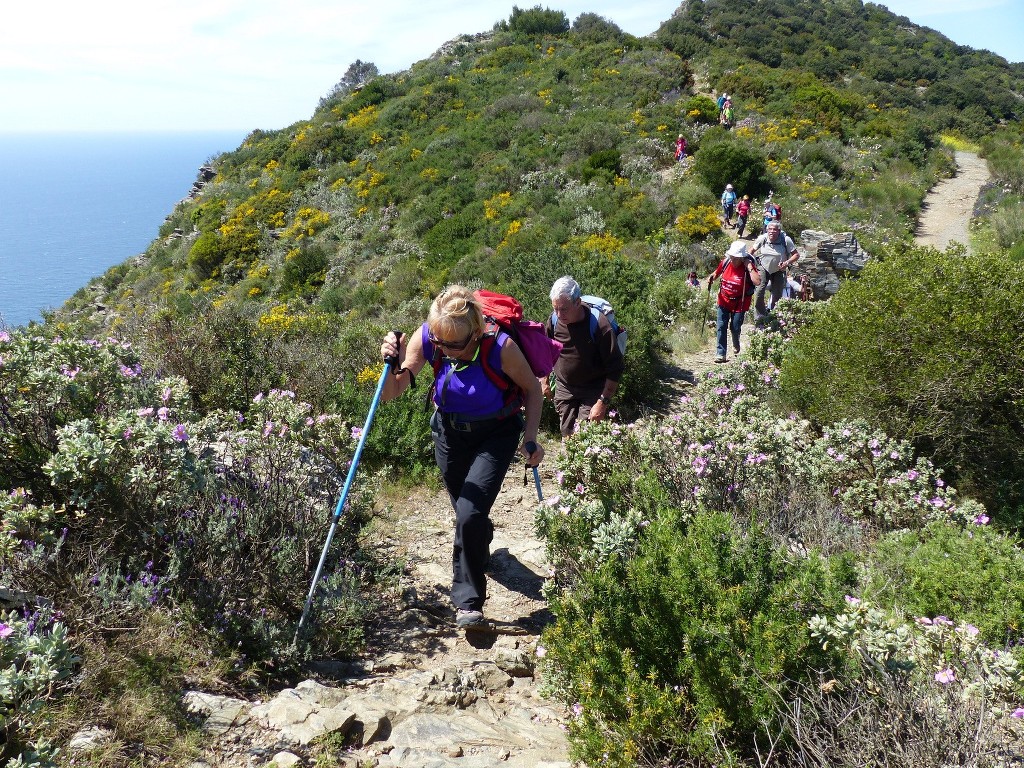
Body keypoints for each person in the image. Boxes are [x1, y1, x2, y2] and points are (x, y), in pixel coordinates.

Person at [379, 286, 544, 630]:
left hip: (496, 434)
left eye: (453, 344)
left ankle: (468, 600)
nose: (444, 350)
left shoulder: (501, 347)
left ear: (475, 331)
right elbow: (392, 392)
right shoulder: (430, 338)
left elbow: (532, 389)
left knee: (468, 512)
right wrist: (392, 366)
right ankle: (480, 541)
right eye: (439, 342)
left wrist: (530, 438)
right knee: (469, 514)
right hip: (449, 434)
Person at [543, 276, 625, 438]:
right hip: (564, 389)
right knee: (567, 435)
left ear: (577, 302)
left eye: (564, 309)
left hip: (593, 390)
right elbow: (547, 350)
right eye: (555, 309)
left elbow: (615, 367)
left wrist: (602, 402)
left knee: (585, 438)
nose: (559, 314)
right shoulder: (553, 321)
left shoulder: (599, 324)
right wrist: (544, 379)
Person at [707, 241, 761, 363]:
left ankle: (736, 345)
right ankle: (721, 354)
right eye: (732, 257)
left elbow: (757, 282)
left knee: (735, 328)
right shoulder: (726, 262)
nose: (733, 260)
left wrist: (749, 267)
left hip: (740, 303)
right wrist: (711, 278)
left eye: (736, 258)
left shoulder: (748, 266)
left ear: (742, 258)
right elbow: (716, 273)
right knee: (721, 326)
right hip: (723, 299)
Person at [750, 220, 800, 324]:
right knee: (759, 291)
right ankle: (760, 317)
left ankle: (773, 315)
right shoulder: (762, 238)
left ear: (779, 231)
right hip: (763, 267)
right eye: (770, 229)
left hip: (779, 270)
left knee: (777, 294)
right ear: (767, 230)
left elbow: (796, 255)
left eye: (775, 229)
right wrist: (748, 262)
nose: (772, 231)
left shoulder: (785, 240)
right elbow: (752, 250)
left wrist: (787, 262)